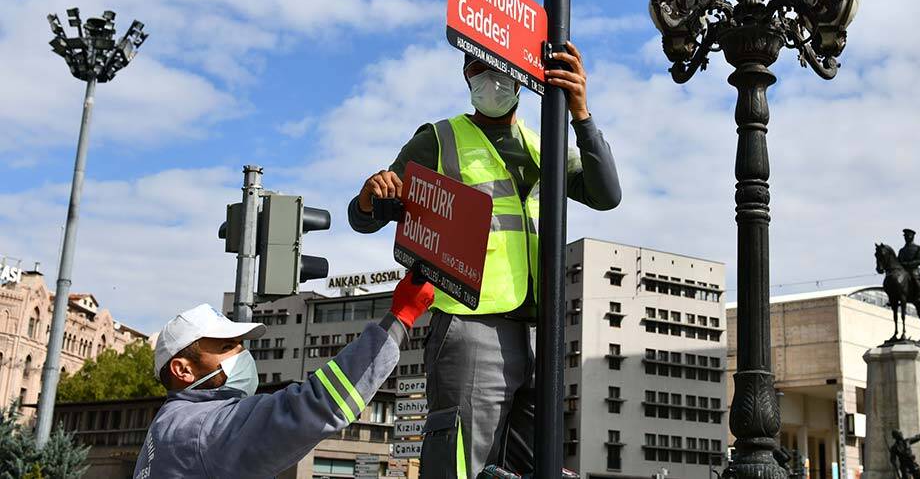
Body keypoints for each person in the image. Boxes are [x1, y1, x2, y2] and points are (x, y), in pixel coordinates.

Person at [348, 43, 621, 476]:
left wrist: (580, 114)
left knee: (538, 468)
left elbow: (607, 195)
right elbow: (368, 213)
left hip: (540, 333)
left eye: (499, 66)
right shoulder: (439, 138)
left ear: (521, 77)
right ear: (465, 74)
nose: (489, 76)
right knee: (464, 468)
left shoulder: (543, 144)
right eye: (478, 66)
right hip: (472, 325)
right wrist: (369, 198)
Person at [132, 275, 434, 478]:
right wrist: (401, 316)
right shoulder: (197, 427)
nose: (241, 356)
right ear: (183, 370)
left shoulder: (169, 425)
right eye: (225, 348)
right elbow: (313, 406)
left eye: (240, 346)